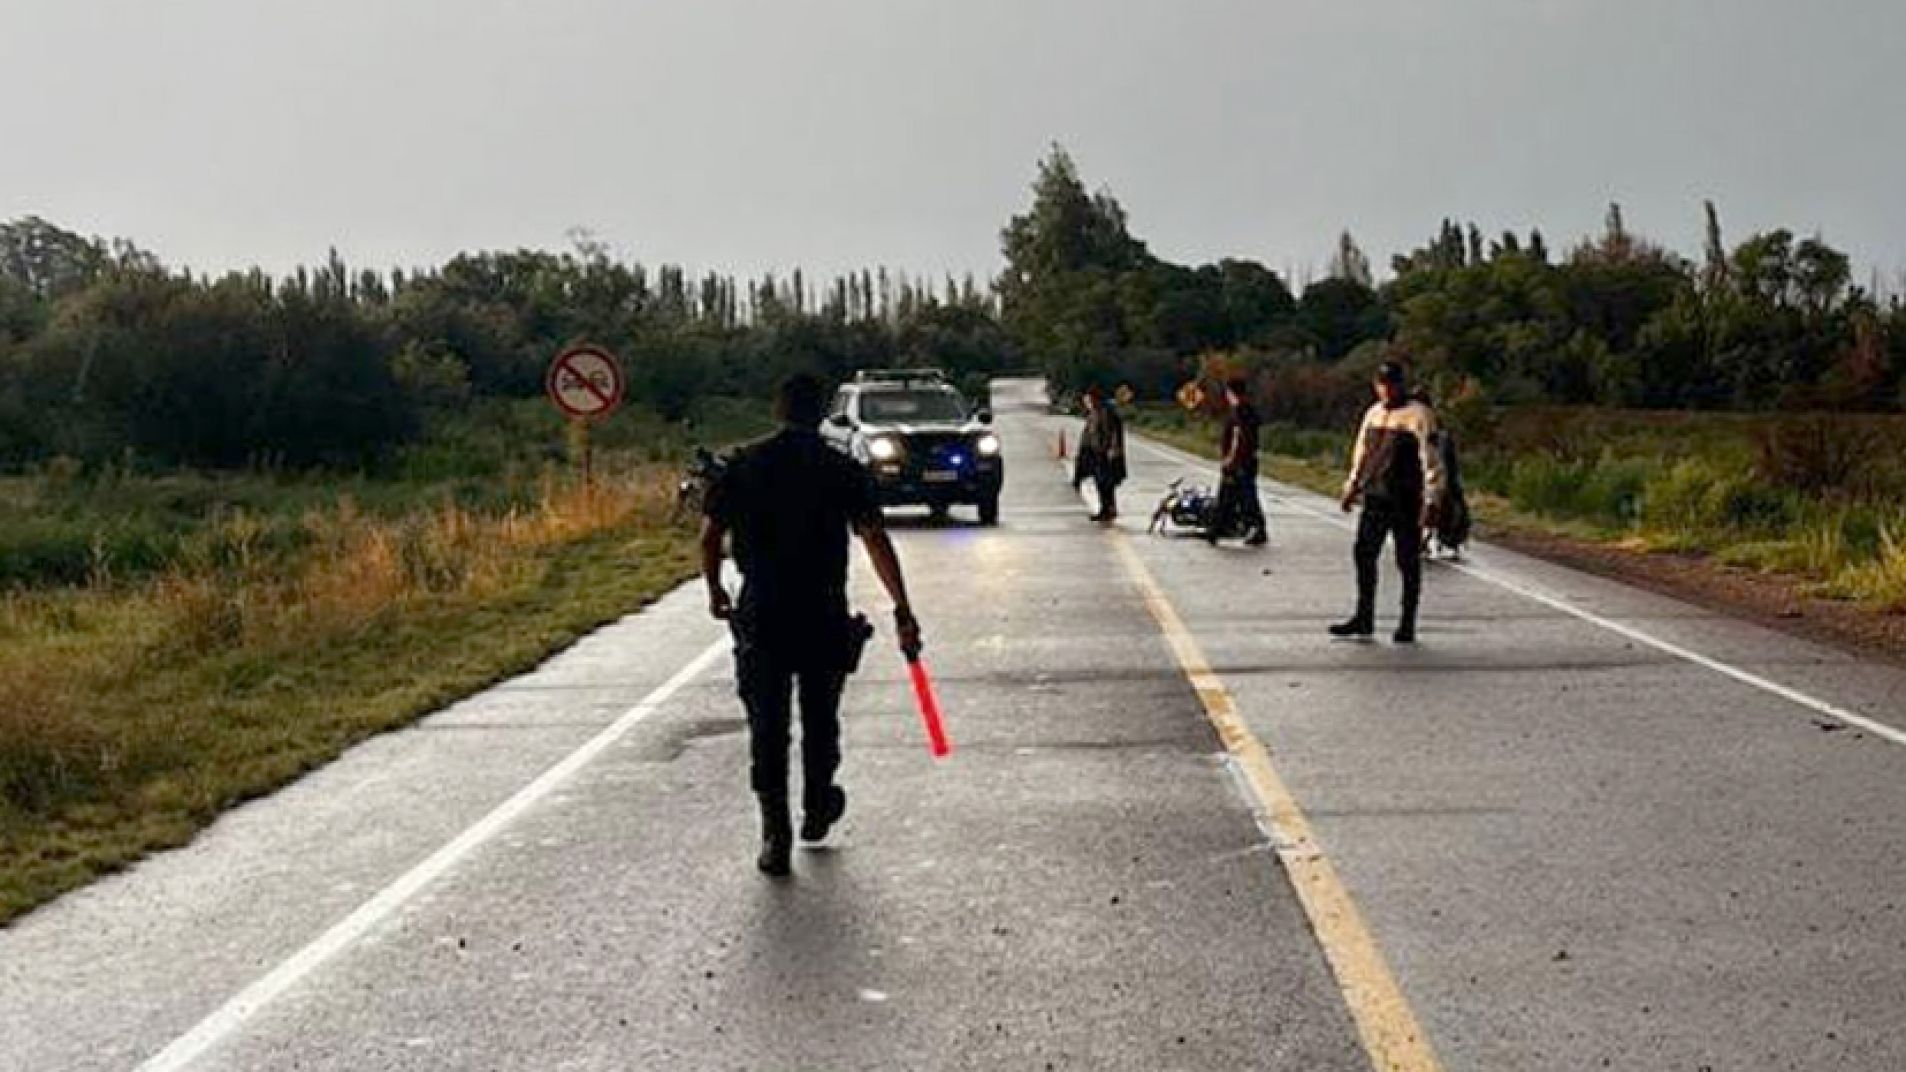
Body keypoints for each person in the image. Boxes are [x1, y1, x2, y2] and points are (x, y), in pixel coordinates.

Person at [701, 373, 922, 877]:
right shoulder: (839, 469)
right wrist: (902, 607)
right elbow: (873, 538)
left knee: (767, 725)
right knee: (821, 717)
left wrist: (715, 589)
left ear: (777, 410)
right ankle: (819, 803)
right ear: (821, 412)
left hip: (762, 611)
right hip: (821, 611)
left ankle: (774, 832)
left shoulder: (745, 465)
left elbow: (710, 536)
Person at [1331, 361, 1444, 643]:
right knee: (1364, 554)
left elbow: (1431, 460)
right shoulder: (1374, 414)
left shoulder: (1419, 416)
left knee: (1407, 561)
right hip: (1375, 495)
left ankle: (1407, 621)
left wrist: (1432, 499)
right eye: (1383, 384)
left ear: (1401, 384)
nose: (1387, 389)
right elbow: (1362, 453)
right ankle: (1363, 616)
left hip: (1405, 497)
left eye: (1392, 384)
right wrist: (1352, 486)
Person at [1207, 377, 1268, 547]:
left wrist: (1231, 459)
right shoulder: (1248, 411)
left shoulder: (1240, 411)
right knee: (1235, 497)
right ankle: (1220, 528)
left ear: (1231, 392)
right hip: (1247, 461)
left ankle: (1221, 529)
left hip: (1239, 464)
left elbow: (1238, 437)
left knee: (1240, 498)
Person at [1074, 386, 1127, 524]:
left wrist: (1113, 450)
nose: (1089, 401)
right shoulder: (1094, 412)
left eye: (1091, 398)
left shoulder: (1107, 412)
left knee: (1107, 483)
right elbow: (1089, 432)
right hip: (1096, 451)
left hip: (1106, 453)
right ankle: (1105, 509)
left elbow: (1114, 432)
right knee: (1100, 483)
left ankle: (1109, 509)